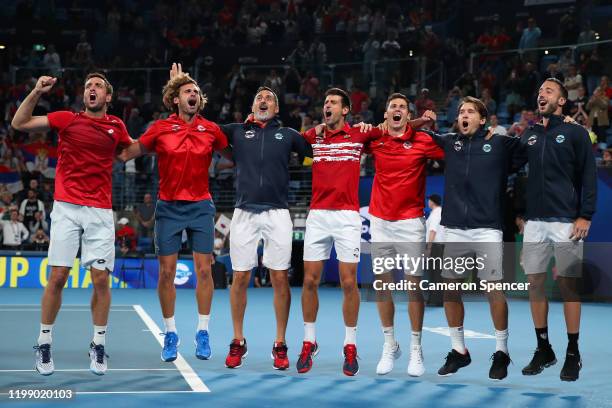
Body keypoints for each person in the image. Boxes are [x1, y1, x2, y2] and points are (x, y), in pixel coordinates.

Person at [11, 72, 133, 375]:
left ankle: (99, 344)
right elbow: (19, 123)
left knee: (101, 279)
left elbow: (130, 151)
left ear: (107, 97)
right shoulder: (66, 119)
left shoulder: (116, 126)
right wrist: (37, 90)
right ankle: (44, 341)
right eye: (88, 86)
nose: (92, 89)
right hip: (66, 207)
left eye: (98, 86)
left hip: (100, 211)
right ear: (84, 95)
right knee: (59, 276)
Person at [119, 64, 229, 363]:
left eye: (196, 91)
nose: (193, 94)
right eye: (187, 91)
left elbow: (235, 155)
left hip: (200, 207)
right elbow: (127, 152)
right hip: (168, 208)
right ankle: (170, 333)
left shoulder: (212, 130)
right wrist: (104, 134)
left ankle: (203, 331)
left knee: (204, 271)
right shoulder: (160, 128)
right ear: (175, 100)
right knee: (166, 273)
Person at [423, 97, 522, 380]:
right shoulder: (449, 142)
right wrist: (421, 121)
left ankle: (501, 352)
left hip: (487, 228)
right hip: (454, 228)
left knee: (493, 289)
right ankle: (459, 351)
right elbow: (416, 134)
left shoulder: (501, 144)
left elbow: (534, 145)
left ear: (483, 119)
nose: (463, 115)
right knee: (450, 291)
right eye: (460, 111)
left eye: (470, 111)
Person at [218, 86, 310, 370]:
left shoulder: (289, 135)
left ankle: (280, 343)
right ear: (252, 105)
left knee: (280, 278)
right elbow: (202, 129)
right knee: (240, 278)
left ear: (277, 109)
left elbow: (316, 151)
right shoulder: (235, 131)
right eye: (259, 97)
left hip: (278, 213)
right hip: (243, 213)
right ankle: (237, 340)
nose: (263, 100)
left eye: (269, 98)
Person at [520, 78, 597, 382]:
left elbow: (589, 176)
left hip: (566, 220)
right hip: (534, 222)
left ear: (562, 101)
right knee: (535, 285)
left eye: (548, 91)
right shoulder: (530, 134)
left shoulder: (576, 133)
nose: (542, 94)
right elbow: (513, 171)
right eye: (539, 91)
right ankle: (543, 349)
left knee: (568, 286)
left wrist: (585, 215)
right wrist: (518, 214)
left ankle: (573, 353)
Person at [298, 88, 379, 376]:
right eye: (325, 102)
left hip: (347, 216)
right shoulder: (313, 136)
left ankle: (350, 345)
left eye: (332, 102)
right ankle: (309, 341)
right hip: (318, 215)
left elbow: (395, 129)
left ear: (345, 110)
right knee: (309, 281)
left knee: (348, 283)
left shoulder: (359, 134)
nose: (326, 105)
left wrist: (423, 120)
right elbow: (284, 141)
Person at [365, 94, 443, 377]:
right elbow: (352, 136)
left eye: (402, 107)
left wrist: (425, 125)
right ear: (386, 114)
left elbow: (454, 152)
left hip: (411, 222)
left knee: (413, 287)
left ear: (408, 115)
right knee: (382, 286)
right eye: (392, 107)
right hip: (381, 222)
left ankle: (416, 349)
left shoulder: (423, 141)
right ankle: (389, 345)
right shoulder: (375, 139)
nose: (397, 110)